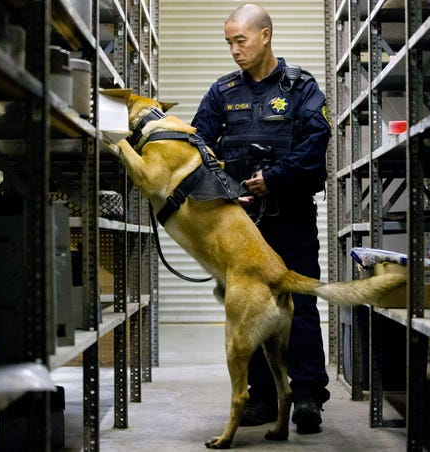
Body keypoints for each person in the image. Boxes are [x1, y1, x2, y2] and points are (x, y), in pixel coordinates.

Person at [191, 3, 331, 434]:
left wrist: (274, 178)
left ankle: (307, 396)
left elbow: (315, 145)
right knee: (247, 307)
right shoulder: (222, 92)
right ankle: (262, 398)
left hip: (290, 217)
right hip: (243, 224)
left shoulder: (301, 88)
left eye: (241, 40)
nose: (234, 49)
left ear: (265, 35)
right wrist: (228, 187)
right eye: (229, 42)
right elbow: (198, 143)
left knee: (301, 303)